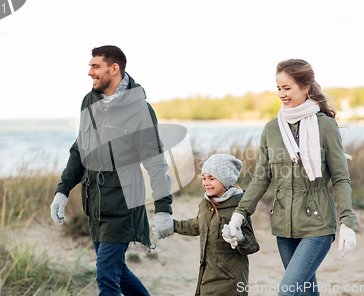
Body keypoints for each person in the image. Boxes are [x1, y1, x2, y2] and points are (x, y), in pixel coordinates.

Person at [50, 45, 175, 296]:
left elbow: (155, 163)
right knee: (117, 270)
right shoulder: (89, 101)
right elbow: (79, 150)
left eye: (95, 66)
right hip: (94, 203)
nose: (89, 72)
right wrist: (62, 191)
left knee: (106, 276)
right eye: (90, 66)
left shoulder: (140, 110)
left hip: (123, 204)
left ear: (114, 69)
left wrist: (163, 209)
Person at [225, 59, 357, 296]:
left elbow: (341, 178)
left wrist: (347, 222)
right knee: (306, 292)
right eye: (278, 88)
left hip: (318, 225)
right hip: (283, 227)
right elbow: (261, 178)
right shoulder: (271, 129)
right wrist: (239, 214)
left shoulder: (325, 126)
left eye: (287, 88)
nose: (281, 94)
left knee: (287, 292)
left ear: (305, 87)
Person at [158, 154, 260, 296]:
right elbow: (198, 224)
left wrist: (240, 238)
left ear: (226, 180)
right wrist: (173, 225)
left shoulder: (239, 209)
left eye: (212, 178)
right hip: (207, 276)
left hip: (231, 282)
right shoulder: (206, 204)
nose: (206, 183)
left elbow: (253, 246)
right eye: (204, 178)